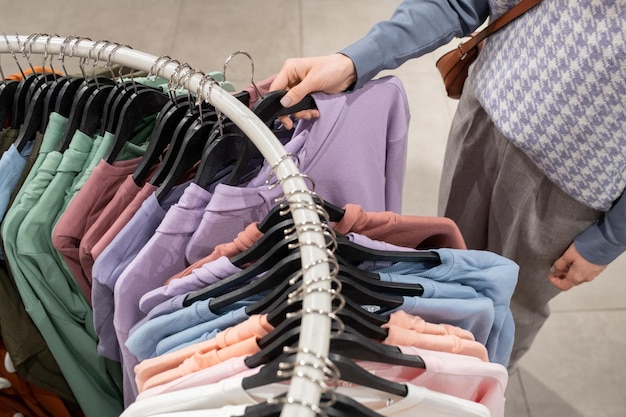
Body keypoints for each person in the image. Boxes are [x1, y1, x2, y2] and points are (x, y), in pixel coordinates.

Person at [269, 0, 626, 372]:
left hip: (574, 184)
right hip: (485, 115)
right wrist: (353, 61)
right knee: (449, 267)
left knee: (512, 308)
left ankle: (483, 385)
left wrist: (610, 238)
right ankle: (438, 370)